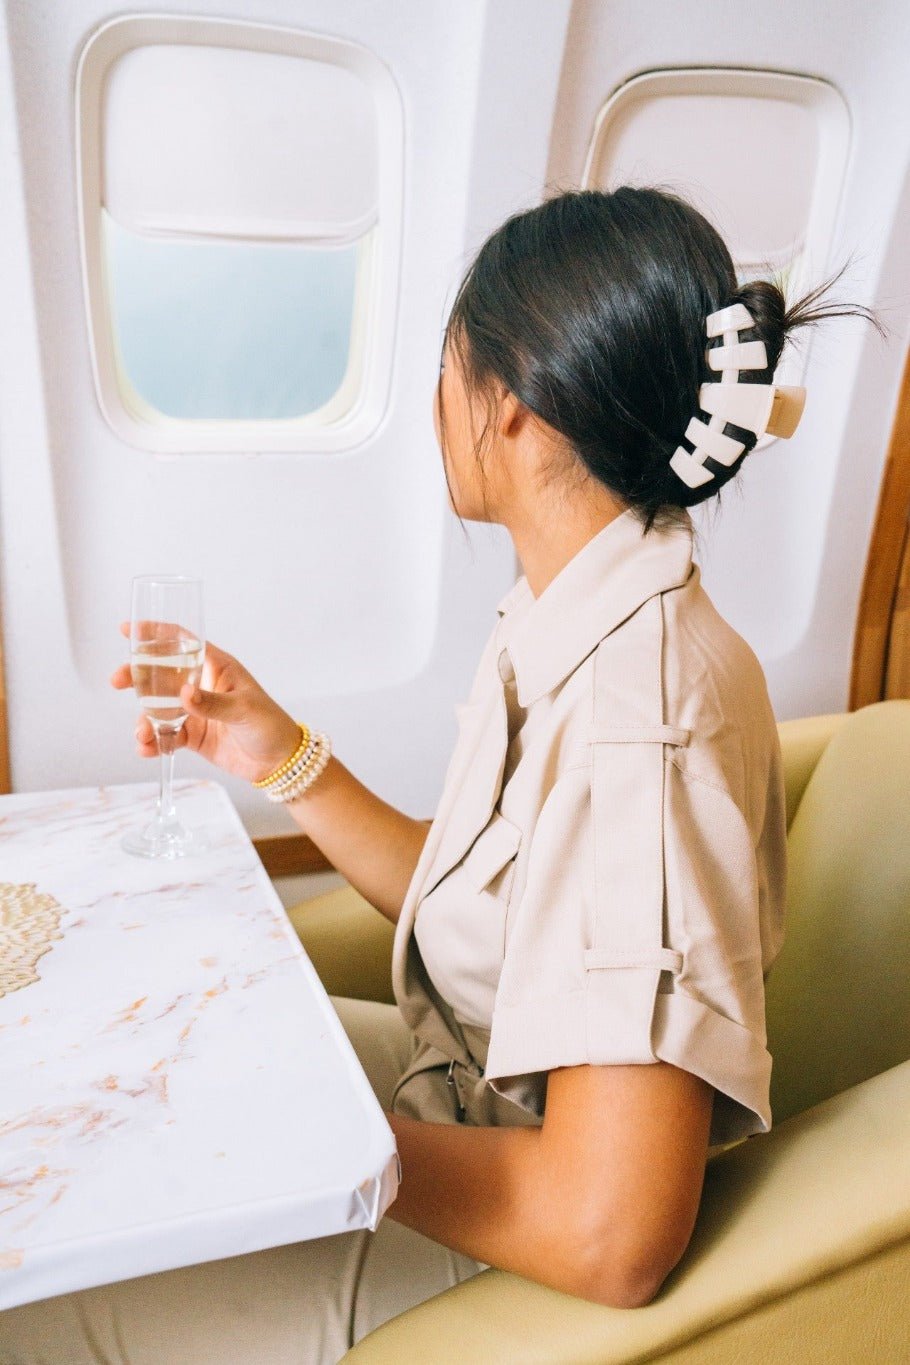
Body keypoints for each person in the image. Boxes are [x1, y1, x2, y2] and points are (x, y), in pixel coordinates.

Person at [1, 186, 876, 1363]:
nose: (435, 404)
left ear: (508, 404)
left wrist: (299, 1143)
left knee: (38, 1301)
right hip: (458, 1092)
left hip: (512, 1215)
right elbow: (499, 913)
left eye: (446, 368)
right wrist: (279, 754)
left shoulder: (640, 725)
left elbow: (607, 1229)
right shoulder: (573, 614)